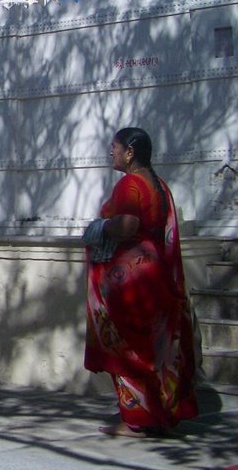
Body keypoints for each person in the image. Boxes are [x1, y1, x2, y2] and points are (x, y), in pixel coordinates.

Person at [83, 127, 198, 436]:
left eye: (115, 147)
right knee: (152, 350)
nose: (111, 152)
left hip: (130, 279)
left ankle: (137, 419)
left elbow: (127, 225)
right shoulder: (159, 186)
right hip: (155, 274)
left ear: (130, 153)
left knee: (128, 350)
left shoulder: (130, 185)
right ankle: (157, 414)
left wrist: (100, 227)